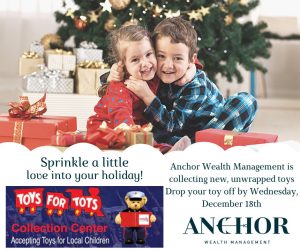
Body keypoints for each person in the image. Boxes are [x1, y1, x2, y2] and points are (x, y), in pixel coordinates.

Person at [123, 17, 257, 145]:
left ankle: (201, 144)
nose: (168, 65)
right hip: (181, 131)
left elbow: (173, 125)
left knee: (245, 101)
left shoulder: (196, 85)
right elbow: (130, 71)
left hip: (212, 127)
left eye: (177, 58)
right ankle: (182, 144)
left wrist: (148, 96)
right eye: (161, 56)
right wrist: (113, 74)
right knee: (154, 132)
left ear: (191, 60)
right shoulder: (154, 70)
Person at [86, 24, 194, 151]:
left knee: (151, 138)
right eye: (135, 60)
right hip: (109, 127)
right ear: (123, 64)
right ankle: (164, 150)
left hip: (136, 124)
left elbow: (182, 54)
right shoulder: (122, 87)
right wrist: (135, 133)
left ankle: (166, 149)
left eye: (148, 54)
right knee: (142, 144)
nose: (145, 63)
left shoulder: (154, 75)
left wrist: (192, 67)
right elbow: (120, 115)